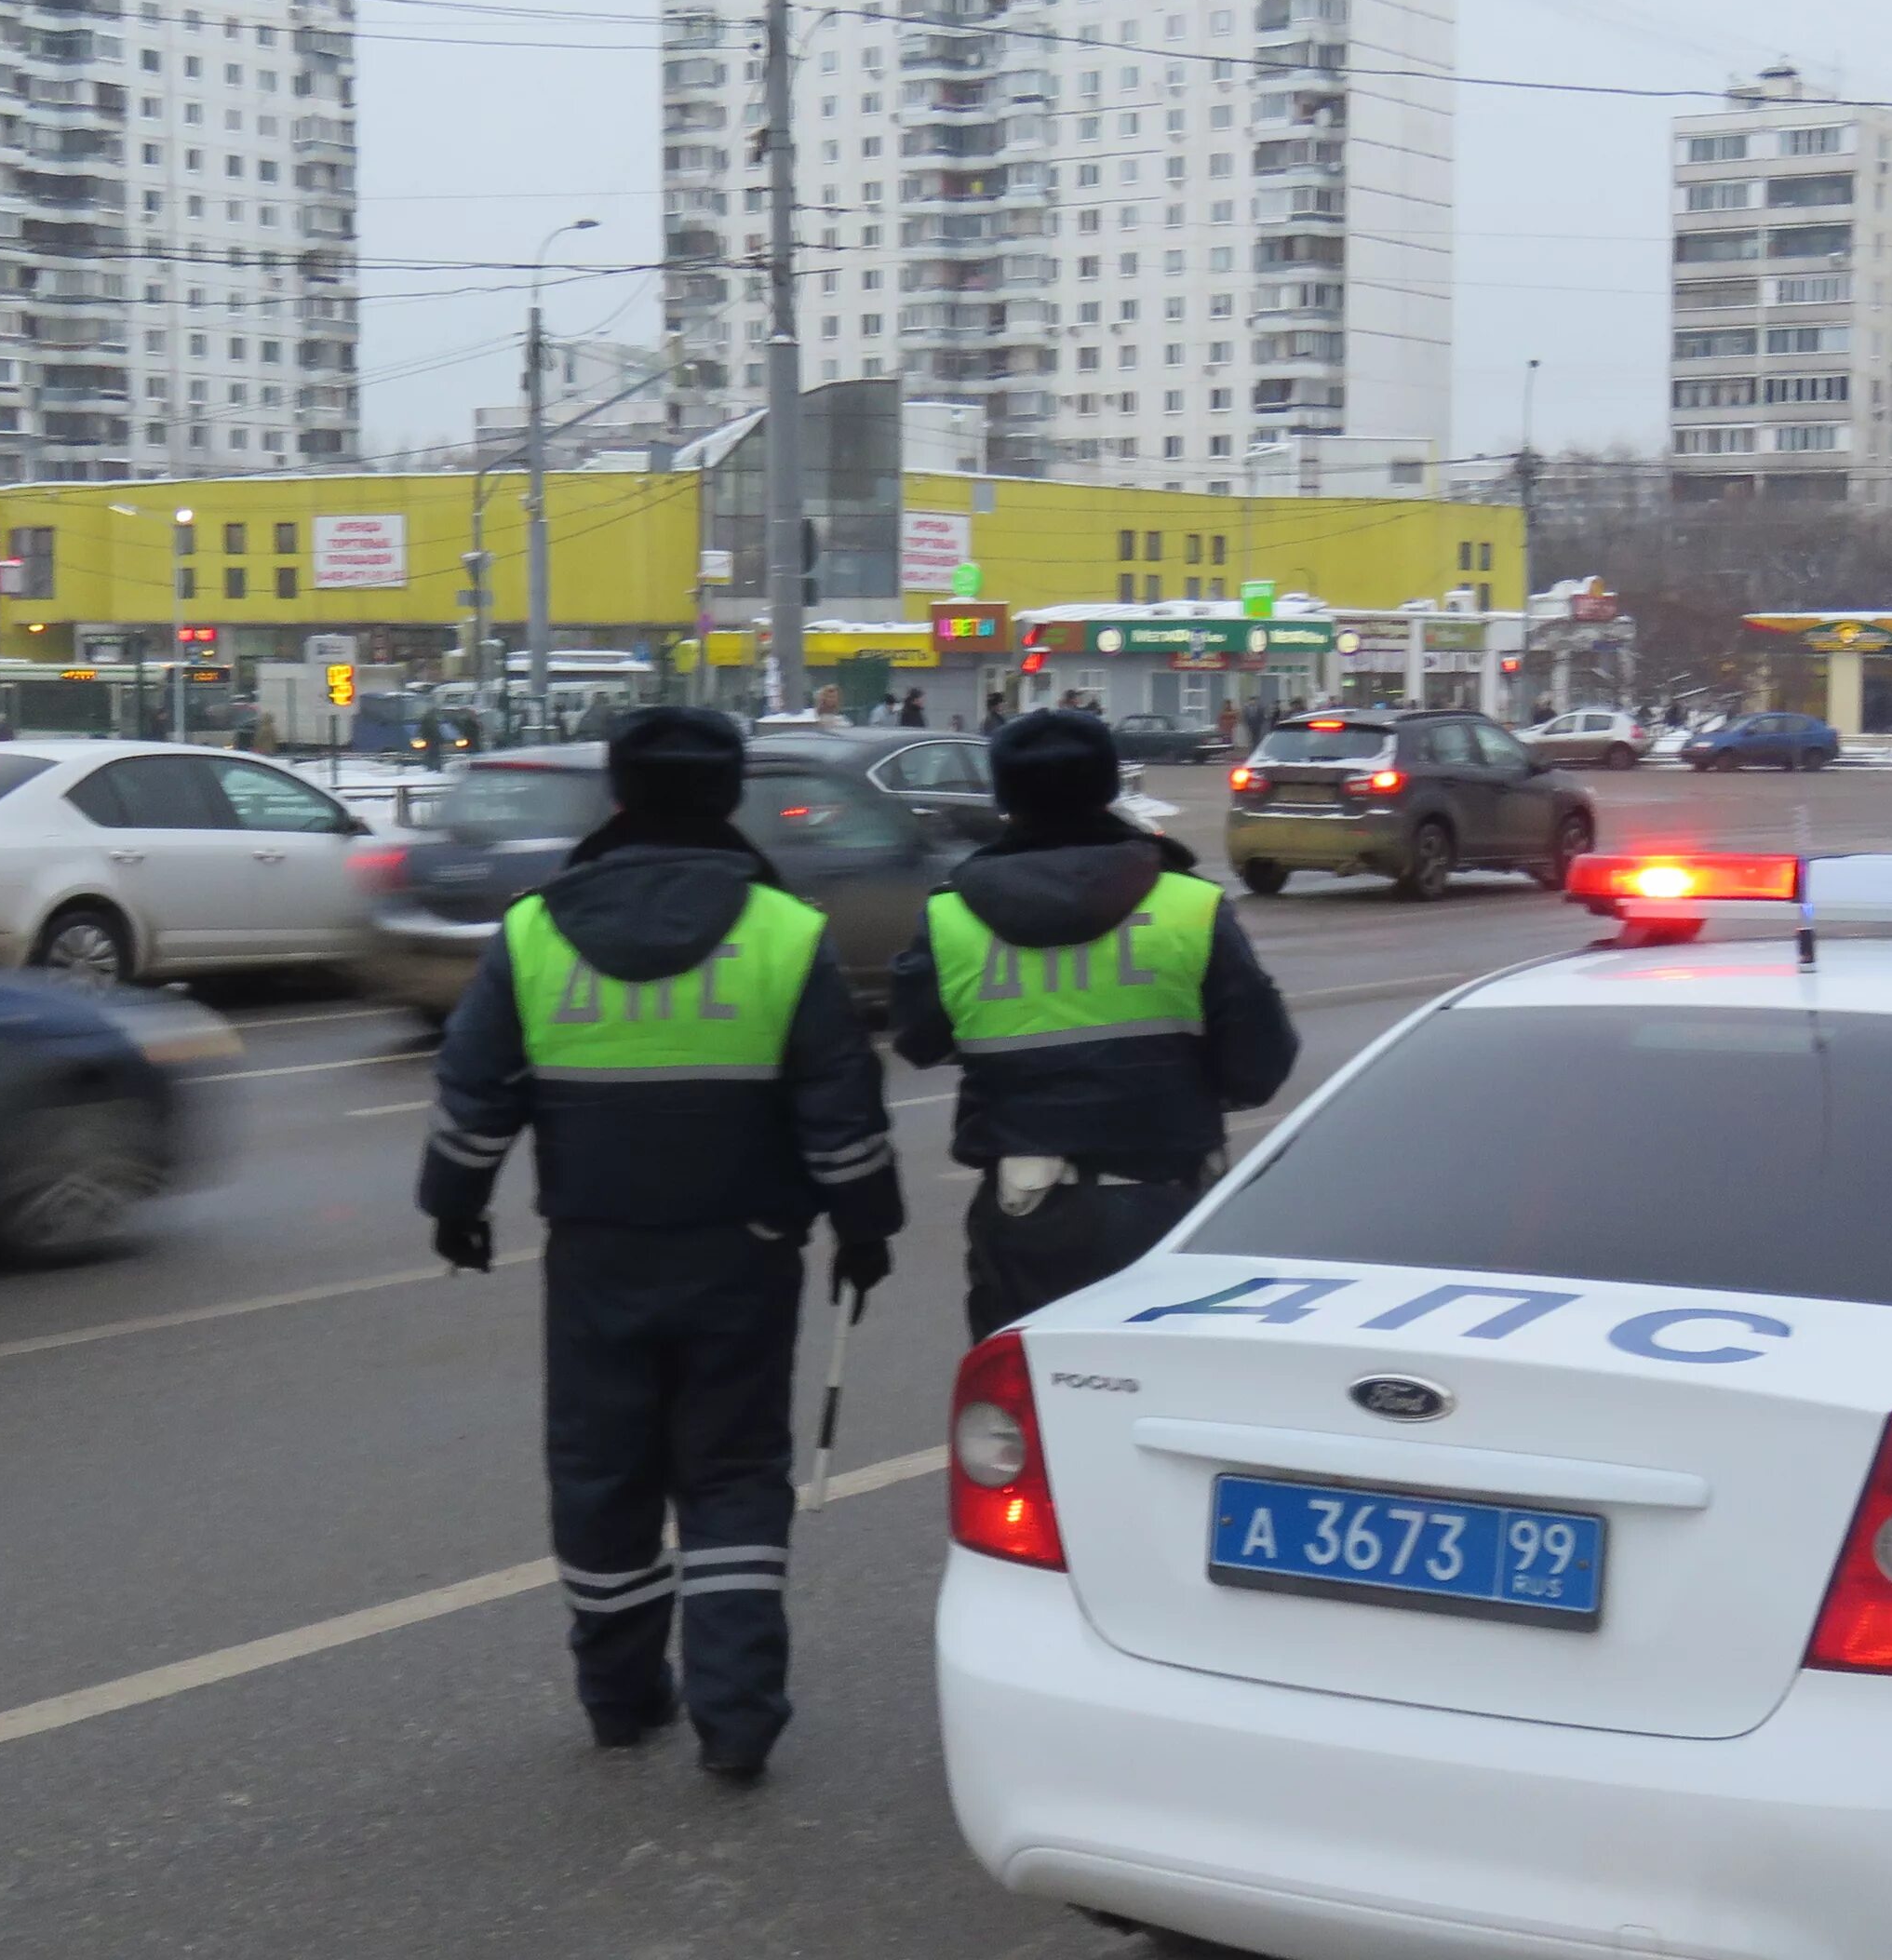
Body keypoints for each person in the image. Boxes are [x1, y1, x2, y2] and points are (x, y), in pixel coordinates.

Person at [419, 708, 902, 1780]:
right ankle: (735, 1720)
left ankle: (622, 1700)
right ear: (728, 799)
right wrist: (867, 1227)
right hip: (745, 1253)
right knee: (732, 1478)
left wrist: (455, 1200)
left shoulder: (537, 932)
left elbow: (474, 1086)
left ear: (618, 798)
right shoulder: (783, 932)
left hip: (595, 1255)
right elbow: (841, 1105)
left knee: (603, 1473)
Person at [892, 708, 1297, 1340]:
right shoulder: (1188, 905)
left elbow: (917, 1040)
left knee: (1034, 1416)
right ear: (1110, 788)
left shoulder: (952, 916)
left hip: (1030, 1222)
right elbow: (1260, 1065)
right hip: (1170, 1214)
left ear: (1004, 797)